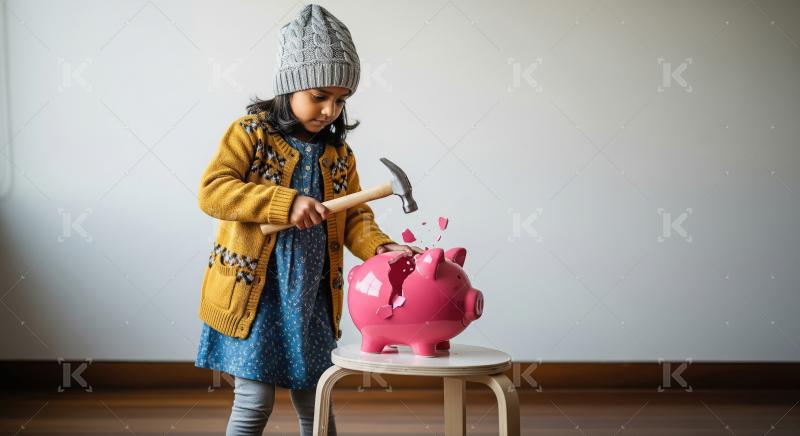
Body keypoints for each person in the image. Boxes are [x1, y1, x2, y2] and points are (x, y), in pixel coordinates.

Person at [193, 4, 421, 435]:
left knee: (316, 398)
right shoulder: (250, 134)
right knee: (254, 402)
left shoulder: (339, 155)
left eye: (341, 100)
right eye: (319, 96)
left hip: (311, 297)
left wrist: (380, 246)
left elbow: (354, 216)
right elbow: (213, 192)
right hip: (254, 296)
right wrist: (284, 202)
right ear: (288, 87)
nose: (331, 110)